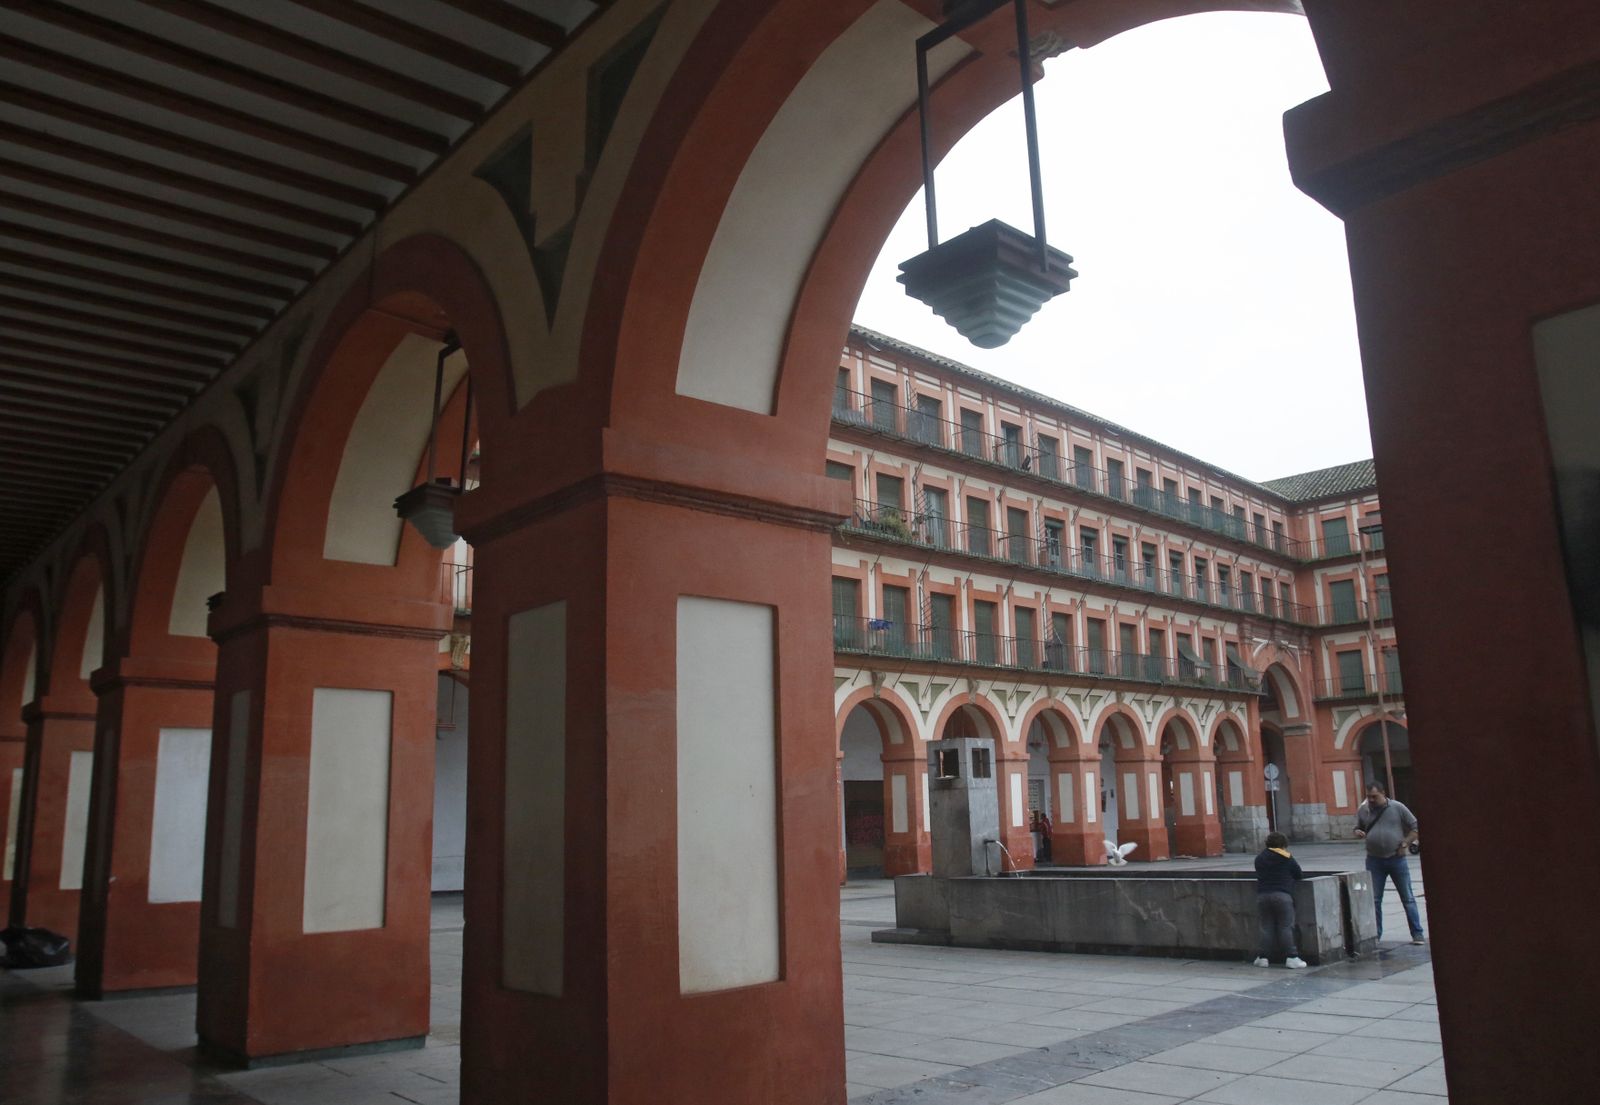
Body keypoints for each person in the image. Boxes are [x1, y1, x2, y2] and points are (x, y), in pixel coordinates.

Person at [1355, 781, 1425, 944]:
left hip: (1396, 859)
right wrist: (1357, 831)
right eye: (1368, 796)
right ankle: (1376, 935)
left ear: (1383, 793)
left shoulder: (1397, 807)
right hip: (1374, 860)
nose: (1371, 800)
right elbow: (1358, 827)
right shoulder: (1363, 810)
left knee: (1407, 898)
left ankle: (1417, 933)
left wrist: (1406, 843)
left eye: (1374, 796)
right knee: (1375, 899)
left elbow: (1415, 827)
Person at [1252, 831, 1307, 968]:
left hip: (1263, 895)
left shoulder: (1259, 858)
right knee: (1285, 927)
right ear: (1283, 844)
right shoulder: (1286, 858)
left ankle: (1263, 958)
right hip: (1282, 896)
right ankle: (1292, 957)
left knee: (1266, 927)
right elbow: (1298, 874)